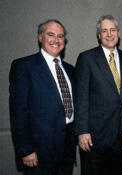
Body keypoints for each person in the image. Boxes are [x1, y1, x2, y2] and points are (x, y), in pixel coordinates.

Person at [9, 19, 76, 175]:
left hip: (66, 150)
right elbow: (18, 112)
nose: (56, 40)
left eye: (60, 36)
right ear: (40, 37)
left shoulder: (70, 70)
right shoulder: (24, 66)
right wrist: (26, 149)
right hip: (38, 154)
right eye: (51, 35)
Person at [75, 15, 122, 175]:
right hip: (94, 137)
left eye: (113, 30)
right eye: (104, 31)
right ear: (99, 35)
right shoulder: (86, 58)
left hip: (119, 137)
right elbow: (80, 97)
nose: (109, 34)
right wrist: (82, 131)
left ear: (119, 32)